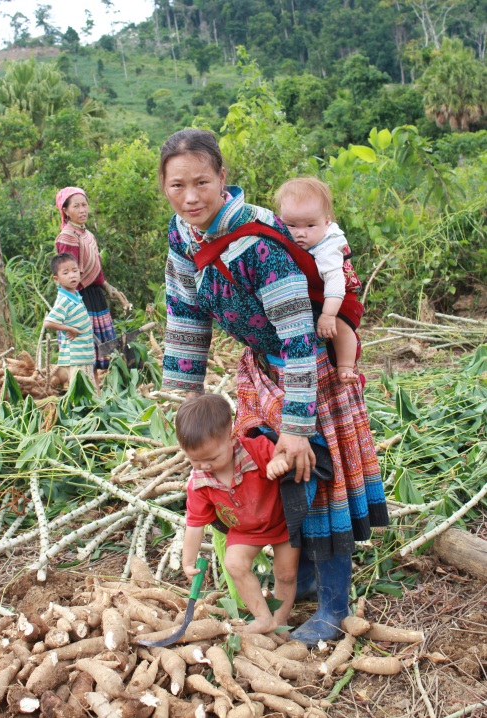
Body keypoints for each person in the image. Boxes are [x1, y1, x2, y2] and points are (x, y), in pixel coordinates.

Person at [159, 128, 389, 646]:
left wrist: (297, 427)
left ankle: (333, 606)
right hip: (260, 370)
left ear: (223, 178)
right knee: (273, 480)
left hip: (311, 369)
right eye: (177, 185)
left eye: (202, 182)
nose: (190, 196)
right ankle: (302, 579)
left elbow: (299, 334)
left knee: (318, 478)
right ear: (165, 187)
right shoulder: (182, 235)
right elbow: (185, 313)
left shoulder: (258, 240)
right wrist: (188, 402)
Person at [177, 393, 300, 634]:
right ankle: (262, 616)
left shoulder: (256, 450)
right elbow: (194, 524)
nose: (205, 466)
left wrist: (281, 462)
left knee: (286, 573)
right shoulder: (200, 483)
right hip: (245, 530)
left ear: (231, 437)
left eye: (212, 458)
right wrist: (188, 560)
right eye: (195, 460)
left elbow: (290, 455)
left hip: (280, 522)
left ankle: (281, 621)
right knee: (234, 563)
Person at [276, 177, 362, 385]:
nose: (300, 233)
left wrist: (328, 315)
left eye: (310, 225)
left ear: (326, 222)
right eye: (292, 225)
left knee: (341, 326)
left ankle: (345, 366)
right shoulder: (282, 236)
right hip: (313, 294)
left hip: (339, 298)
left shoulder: (328, 246)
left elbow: (335, 282)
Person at [55, 187, 130, 376]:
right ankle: (87, 394)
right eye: (76, 206)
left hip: (93, 294)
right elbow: (68, 274)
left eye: (84, 205)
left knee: (96, 356)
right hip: (79, 297)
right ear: (65, 211)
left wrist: (106, 286)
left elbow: (94, 267)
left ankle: (94, 392)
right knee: (83, 354)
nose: (82, 210)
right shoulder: (67, 236)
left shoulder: (86, 234)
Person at [43, 253, 96, 386]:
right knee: (80, 391)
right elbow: (48, 323)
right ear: (57, 279)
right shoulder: (64, 300)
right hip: (75, 357)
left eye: (74, 270)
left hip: (83, 355)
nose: (72, 275)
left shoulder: (75, 295)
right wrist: (69, 329)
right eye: (65, 273)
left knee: (89, 391)